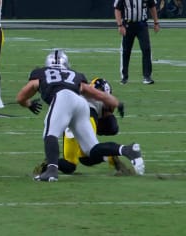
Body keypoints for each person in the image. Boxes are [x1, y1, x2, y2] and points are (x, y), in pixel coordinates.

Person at [17, 50, 145, 182]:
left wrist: (29, 104)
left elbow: (21, 97)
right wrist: (116, 102)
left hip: (62, 97)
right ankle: (128, 150)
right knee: (91, 150)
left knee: (50, 134)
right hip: (81, 104)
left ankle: (51, 171)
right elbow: (96, 94)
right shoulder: (75, 75)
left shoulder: (40, 73)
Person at [33, 77, 134, 176]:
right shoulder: (99, 96)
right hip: (85, 118)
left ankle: (49, 164)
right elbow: (112, 126)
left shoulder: (81, 90)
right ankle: (115, 153)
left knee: (73, 163)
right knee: (84, 158)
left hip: (71, 120)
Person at [114, 0, 160, 85]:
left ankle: (147, 76)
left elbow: (152, 6)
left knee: (146, 49)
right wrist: (120, 25)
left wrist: (156, 22)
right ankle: (124, 77)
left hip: (142, 25)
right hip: (128, 25)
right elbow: (117, 9)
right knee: (126, 51)